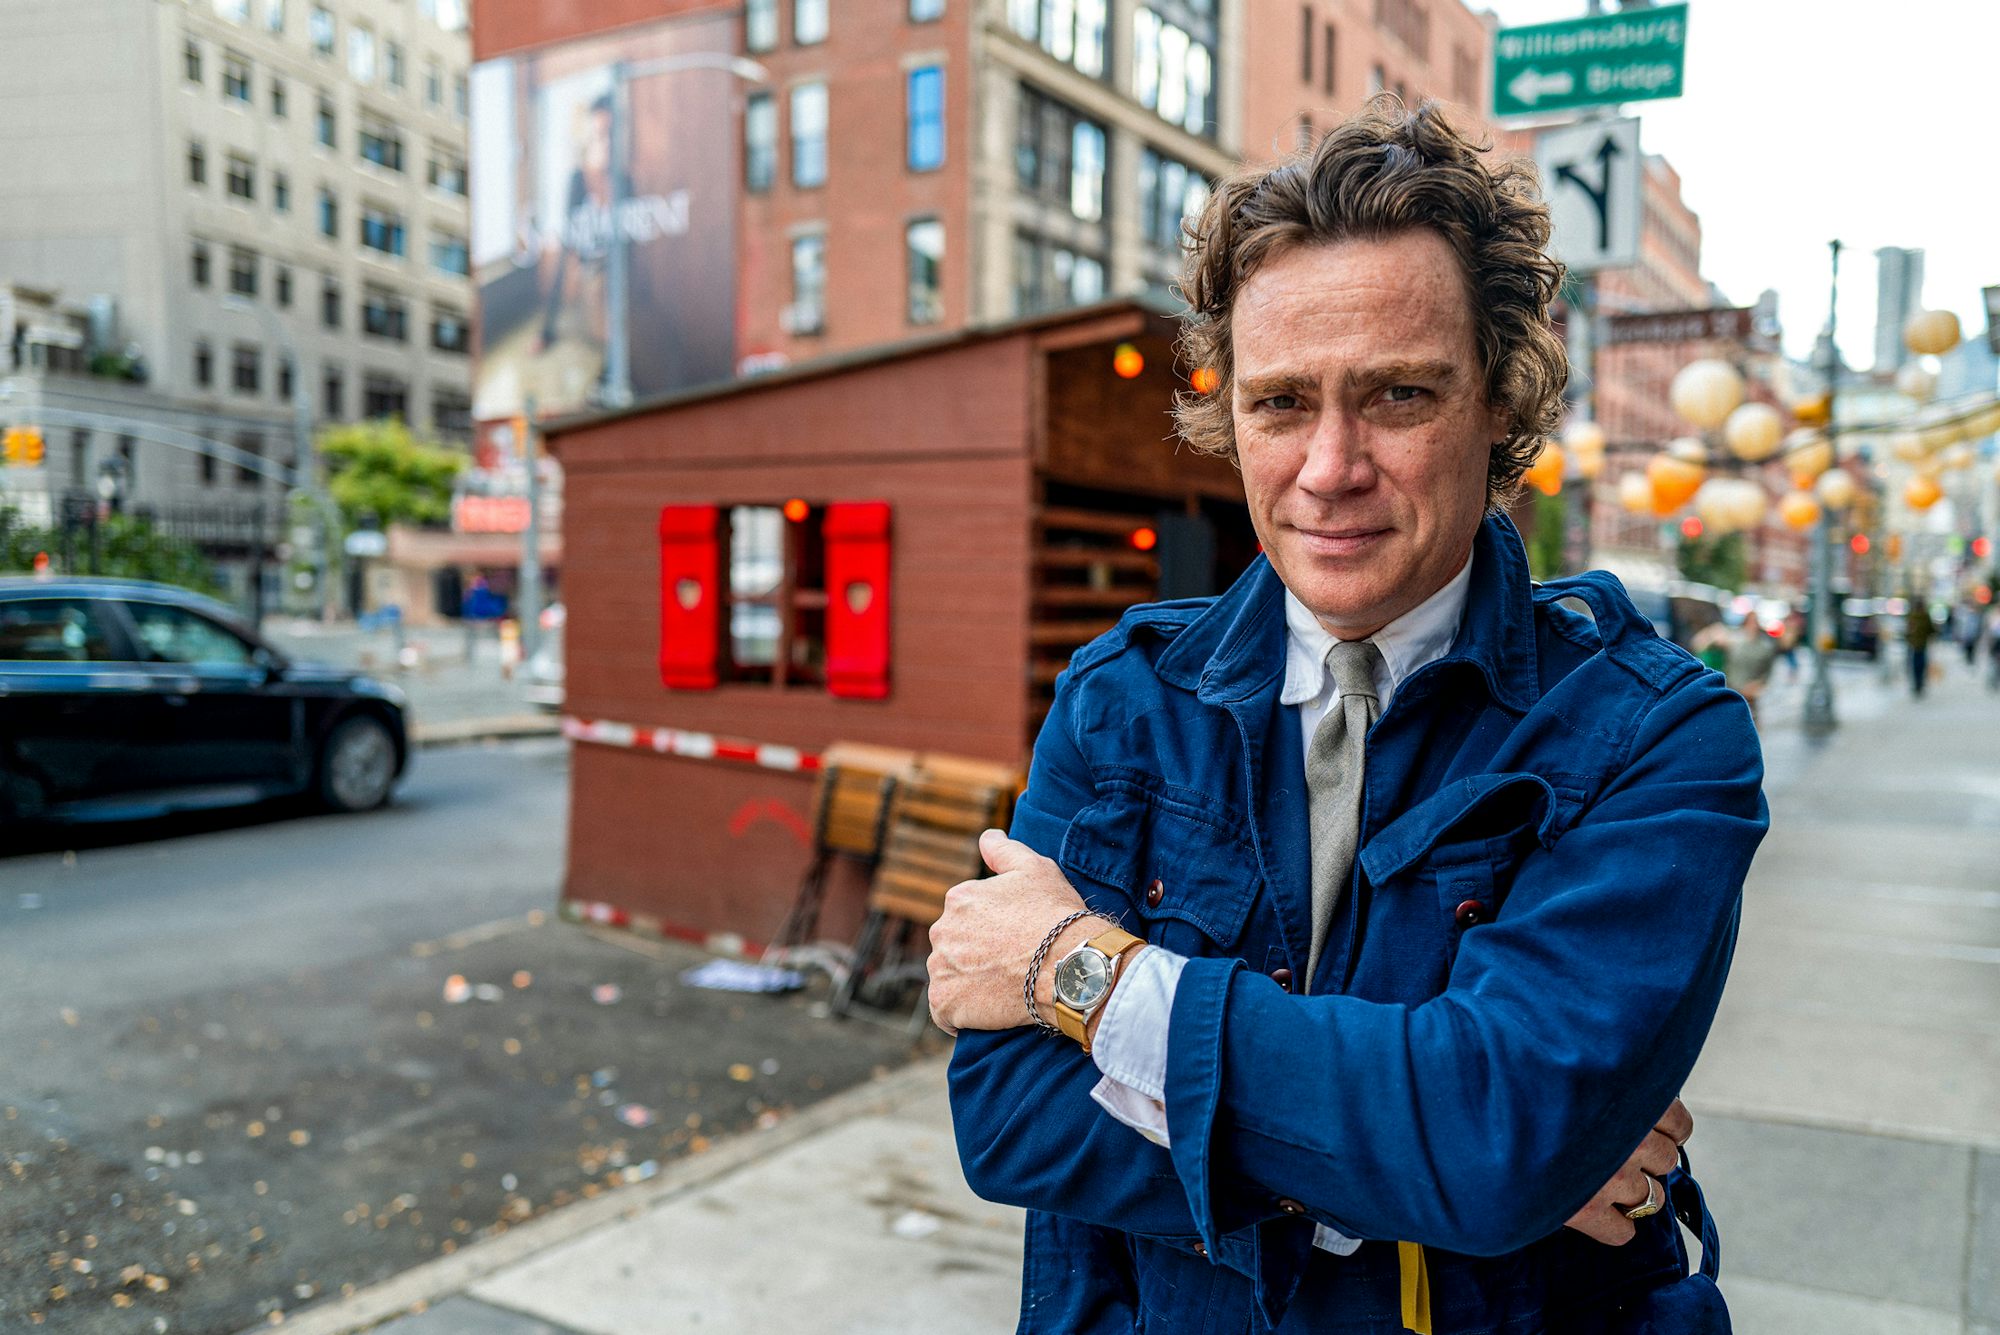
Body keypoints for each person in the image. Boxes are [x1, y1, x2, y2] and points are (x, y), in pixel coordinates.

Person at [927, 99, 1766, 1334]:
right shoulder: (1121, 703)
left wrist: (1081, 980)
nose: (1327, 467)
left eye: (1395, 397)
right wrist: (1433, 1165)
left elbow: (1491, 1139)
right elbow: (1011, 1119)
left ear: (1499, 400)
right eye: (1277, 405)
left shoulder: (1657, 741)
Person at [1905, 597, 1934, 698]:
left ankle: (1917, 684)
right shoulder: (1924, 617)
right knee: (1920, 665)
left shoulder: (1913, 617)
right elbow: (1931, 630)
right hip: (1920, 645)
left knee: (1915, 666)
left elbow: (1907, 631)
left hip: (1915, 645)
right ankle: (1919, 683)